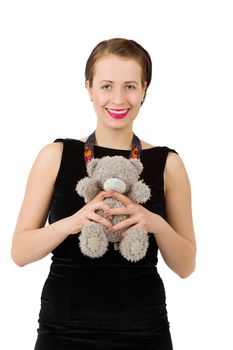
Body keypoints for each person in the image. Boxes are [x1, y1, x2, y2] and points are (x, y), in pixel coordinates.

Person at [11, 38, 196, 350]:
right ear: (89, 88)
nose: (119, 98)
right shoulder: (55, 155)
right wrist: (72, 222)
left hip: (144, 331)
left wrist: (154, 223)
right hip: (63, 331)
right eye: (107, 86)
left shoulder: (169, 164)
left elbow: (186, 265)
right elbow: (20, 252)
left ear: (145, 90)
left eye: (130, 86)